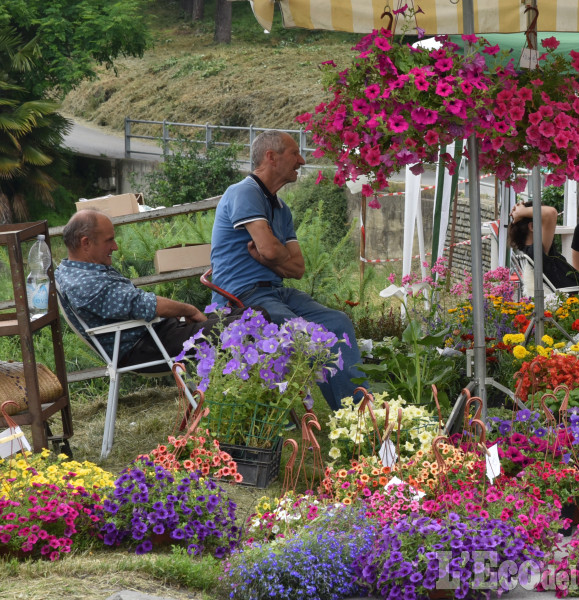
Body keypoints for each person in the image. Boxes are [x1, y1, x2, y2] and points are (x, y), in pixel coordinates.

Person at [209, 130, 366, 411]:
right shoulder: (244, 192)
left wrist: (268, 258)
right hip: (241, 297)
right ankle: (350, 415)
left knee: (338, 322)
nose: (302, 160)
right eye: (295, 153)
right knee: (305, 333)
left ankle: (357, 412)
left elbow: (297, 268)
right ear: (271, 157)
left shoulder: (281, 208)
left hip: (277, 293)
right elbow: (272, 251)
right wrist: (271, 254)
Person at [55, 209, 248, 372]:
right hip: (147, 344)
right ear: (85, 243)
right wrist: (190, 310)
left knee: (249, 314)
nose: (115, 246)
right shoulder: (85, 284)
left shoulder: (73, 270)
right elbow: (147, 304)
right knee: (251, 322)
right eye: (109, 240)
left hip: (156, 332)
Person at [510, 201, 579, 289]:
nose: (550, 227)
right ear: (533, 226)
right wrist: (521, 212)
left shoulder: (531, 252)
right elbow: (551, 213)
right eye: (544, 223)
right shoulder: (535, 252)